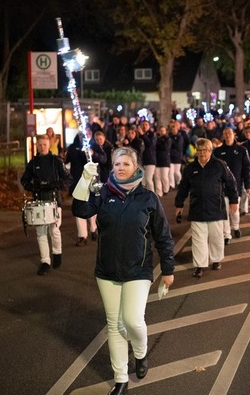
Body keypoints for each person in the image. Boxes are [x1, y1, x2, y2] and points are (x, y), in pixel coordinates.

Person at [72, 147, 175, 395]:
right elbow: (80, 210)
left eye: (125, 164)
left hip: (138, 270)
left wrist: (169, 269)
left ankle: (140, 353)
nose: (120, 168)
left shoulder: (148, 198)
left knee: (131, 320)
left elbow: (163, 236)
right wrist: (85, 179)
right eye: (117, 164)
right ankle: (120, 379)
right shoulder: (104, 192)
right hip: (106, 272)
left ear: (136, 167)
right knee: (114, 325)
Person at [174, 138, 239, 278]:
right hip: (197, 208)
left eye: (205, 150)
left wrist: (234, 201)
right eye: (199, 150)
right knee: (198, 240)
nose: (202, 153)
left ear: (210, 151)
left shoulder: (219, 165)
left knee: (216, 237)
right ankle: (199, 265)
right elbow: (183, 187)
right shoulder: (190, 168)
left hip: (216, 208)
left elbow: (231, 183)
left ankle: (216, 260)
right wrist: (179, 204)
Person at [20, 135, 71, 275]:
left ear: (49, 145)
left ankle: (57, 254)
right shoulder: (33, 162)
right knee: (40, 232)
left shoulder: (56, 161)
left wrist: (55, 185)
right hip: (39, 201)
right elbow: (24, 180)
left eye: (44, 144)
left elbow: (68, 179)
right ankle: (45, 261)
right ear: (36, 146)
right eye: (39, 145)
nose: (42, 147)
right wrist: (34, 187)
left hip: (54, 201)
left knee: (54, 230)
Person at [214, 128, 250, 242]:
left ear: (234, 135)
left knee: (234, 210)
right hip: (222, 186)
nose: (227, 135)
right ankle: (227, 235)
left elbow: (246, 168)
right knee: (224, 211)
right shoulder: (218, 151)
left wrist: (247, 185)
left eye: (229, 133)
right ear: (223, 136)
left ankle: (235, 227)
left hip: (236, 186)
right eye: (225, 134)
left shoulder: (241, 150)